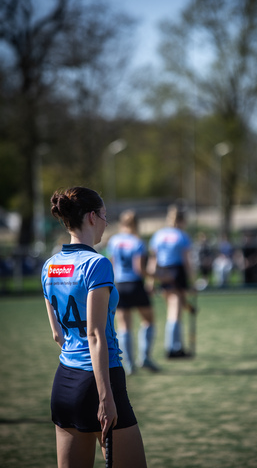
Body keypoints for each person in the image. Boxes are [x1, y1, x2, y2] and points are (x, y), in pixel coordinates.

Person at [41, 187, 147, 468]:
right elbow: (96, 335)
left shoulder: (50, 266)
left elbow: (57, 334)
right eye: (103, 215)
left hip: (64, 383)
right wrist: (105, 398)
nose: (106, 222)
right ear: (91, 217)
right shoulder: (97, 264)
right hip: (101, 380)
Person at [107, 209, 159, 375]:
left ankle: (129, 365)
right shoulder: (137, 242)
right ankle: (144, 358)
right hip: (135, 284)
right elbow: (140, 269)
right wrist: (158, 276)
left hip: (119, 285)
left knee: (124, 326)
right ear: (136, 224)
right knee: (149, 320)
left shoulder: (113, 241)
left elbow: (112, 266)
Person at [149, 204, 193, 358]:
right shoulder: (182, 236)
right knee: (176, 312)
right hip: (176, 272)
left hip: (162, 273)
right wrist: (192, 282)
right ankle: (172, 348)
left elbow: (153, 261)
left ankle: (177, 346)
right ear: (182, 220)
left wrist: (151, 282)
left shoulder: (159, 235)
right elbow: (187, 262)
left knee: (172, 310)